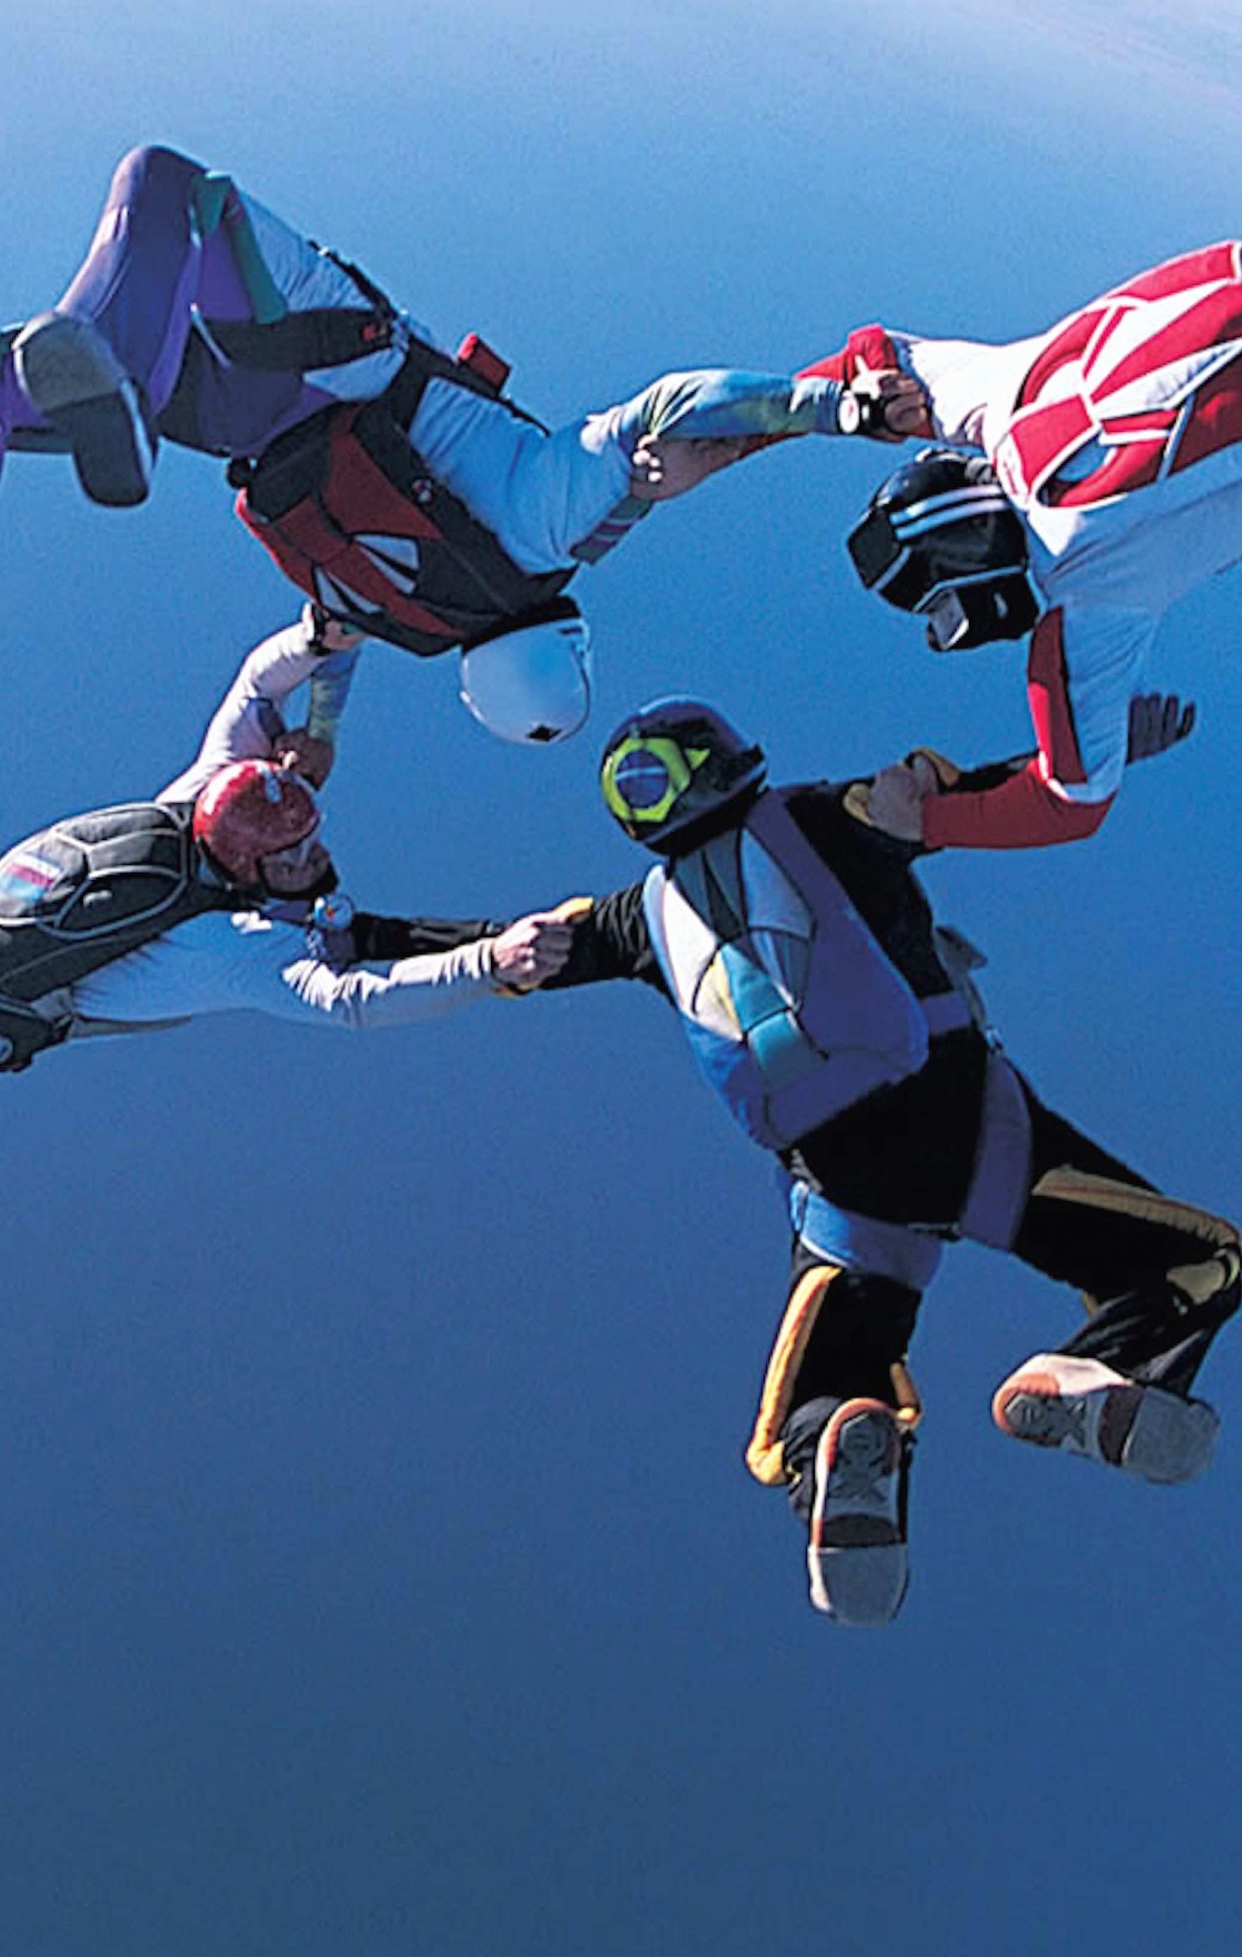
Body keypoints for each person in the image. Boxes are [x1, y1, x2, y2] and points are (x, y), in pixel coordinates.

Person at [535, 695, 1239, 1626]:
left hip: (843, 1182)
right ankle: (1094, 1372)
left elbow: (499, 950)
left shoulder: (634, 918)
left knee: (821, 1386)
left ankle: (837, 1434)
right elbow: (952, 802)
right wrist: (1089, 753)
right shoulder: (816, 815)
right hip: (966, 1119)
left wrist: (340, 933)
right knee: (1198, 1261)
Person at [0, 144, 923, 745]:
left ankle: (106, 364)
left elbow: (676, 402)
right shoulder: (413, 622)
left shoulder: (545, 531)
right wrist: (317, 735)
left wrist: (834, 407)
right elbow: (328, 645)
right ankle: (93, 383)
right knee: (55, 378)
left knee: (168, 187)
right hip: (233, 425)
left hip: (330, 357)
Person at [0, 607, 575, 1072]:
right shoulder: (229, 943)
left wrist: (323, 643)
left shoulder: (208, 794)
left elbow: (262, 682)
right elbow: (353, 1002)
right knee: (338, 934)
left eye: (310, 831)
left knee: (339, 930)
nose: (318, 851)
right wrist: (492, 963)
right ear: (251, 868)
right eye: (296, 853)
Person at [816, 239, 1242, 846]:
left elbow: (1068, 804)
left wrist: (920, 821)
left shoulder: (1082, 608)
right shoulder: (998, 399)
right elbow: (866, 364)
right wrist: (749, 427)